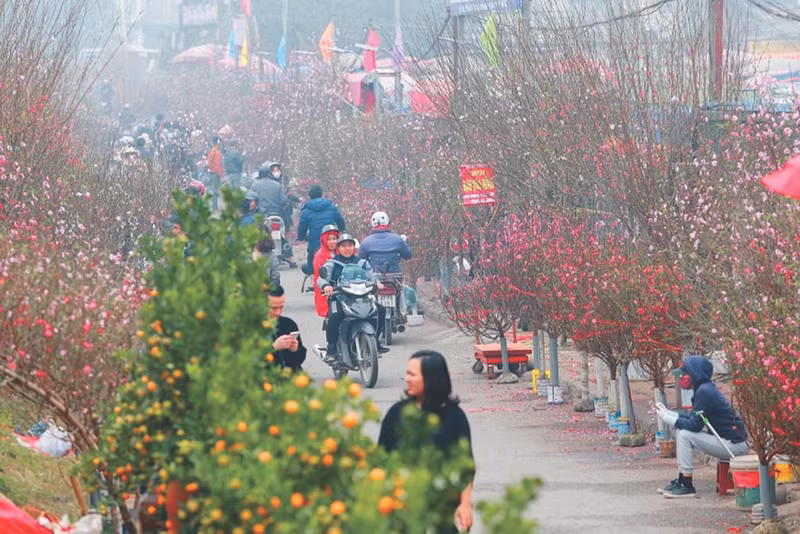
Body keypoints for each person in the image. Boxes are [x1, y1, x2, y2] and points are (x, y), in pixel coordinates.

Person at [378, 350, 474, 533]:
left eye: (412, 374)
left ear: (431, 379)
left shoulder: (454, 417)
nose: (407, 379)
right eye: (407, 373)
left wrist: (465, 505)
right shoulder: (397, 415)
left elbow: (466, 467)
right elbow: (380, 463)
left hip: (440, 514)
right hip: (401, 512)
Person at [656, 356, 749, 498]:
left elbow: (695, 425)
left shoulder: (704, 392)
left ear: (695, 373)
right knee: (682, 430)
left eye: (685, 374)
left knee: (685, 434)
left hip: (734, 447)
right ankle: (682, 478)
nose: (682, 377)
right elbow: (695, 419)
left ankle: (687, 484)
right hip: (729, 443)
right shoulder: (704, 389)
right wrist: (671, 414)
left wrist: (668, 419)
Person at [317, 234, 377, 361]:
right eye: (343, 246)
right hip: (339, 298)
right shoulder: (332, 263)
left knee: (380, 311)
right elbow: (321, 278)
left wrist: (377, 284)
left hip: (361, 298)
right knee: (334, 317)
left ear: (354, 247)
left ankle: (375, 342)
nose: (347, 248)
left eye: (350, 245)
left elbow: (372, 277)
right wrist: (326, 286)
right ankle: (332, 350)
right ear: (338, 248)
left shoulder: (362, 263)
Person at [297, 184, 346, 276]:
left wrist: (300, 237)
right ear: (321, 194)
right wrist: (342, 229)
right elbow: (340, 221)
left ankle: (312, 274)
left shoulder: (306, 211)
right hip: (331, 240)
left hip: (315, 243)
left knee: (311, 254)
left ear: (310, 196)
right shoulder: (331, 207)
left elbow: (302, 227)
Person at [267, 285, 306, 372]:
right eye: (274, 308)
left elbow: (299, 360)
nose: (278, 312)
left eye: (281, 307)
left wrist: (295, 349)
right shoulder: (251, 327)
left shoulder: (289, 324)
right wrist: (273, 348)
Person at [312, 224, 340, 317]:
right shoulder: (319, 255)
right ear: (324, 240)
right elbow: (319, 277)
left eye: (334, 239)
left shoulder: (342, 252)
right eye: (329, 239)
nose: (332, 242)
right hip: (327, 290)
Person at [206, 136, 224, 211]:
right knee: (214, 190)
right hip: (215, 174)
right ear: (217, 142)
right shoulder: (214, 152)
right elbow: (211, 164)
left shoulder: (215, 151)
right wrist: (217, 172)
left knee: (215, 190)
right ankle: (214, 207)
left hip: (215, 173)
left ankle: (215, 206)